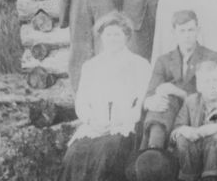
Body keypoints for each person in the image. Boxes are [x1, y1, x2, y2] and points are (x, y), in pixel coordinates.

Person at [58, 12, 151, 181]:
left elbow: (139, 105)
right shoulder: (91, 66)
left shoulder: (140, 65)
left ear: (127, 37)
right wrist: (93, 121)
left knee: (108, 153)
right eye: (108, 34)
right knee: (75, 153)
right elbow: (82, 103)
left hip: (123, 127)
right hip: (94, 126)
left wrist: (116, 122)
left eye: (117, 34)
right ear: (101, 37)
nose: (112, 39)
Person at [141, 10, 217, 151]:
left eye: (191, 30)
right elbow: (149, 94)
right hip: (167, 114)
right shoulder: (164, 60)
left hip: (198, 112)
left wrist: (176, 91)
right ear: (174, 33)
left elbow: (213, 95)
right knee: (162, 101)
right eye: (182, 31)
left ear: (198, 30)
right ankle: (154, 150)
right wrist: (152, 102)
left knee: (169, 96)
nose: (187, 36)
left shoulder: (211, 57)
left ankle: (154, 151)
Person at [172, 61, 217, 181]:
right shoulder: (190, 102)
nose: (212, 86)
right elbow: (176, 128)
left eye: (215, 81)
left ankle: (210, 178)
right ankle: (189, 178)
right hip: (194, 155)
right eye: (206, 82)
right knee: (182, 138)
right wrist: (183, 130)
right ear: (199, 86)